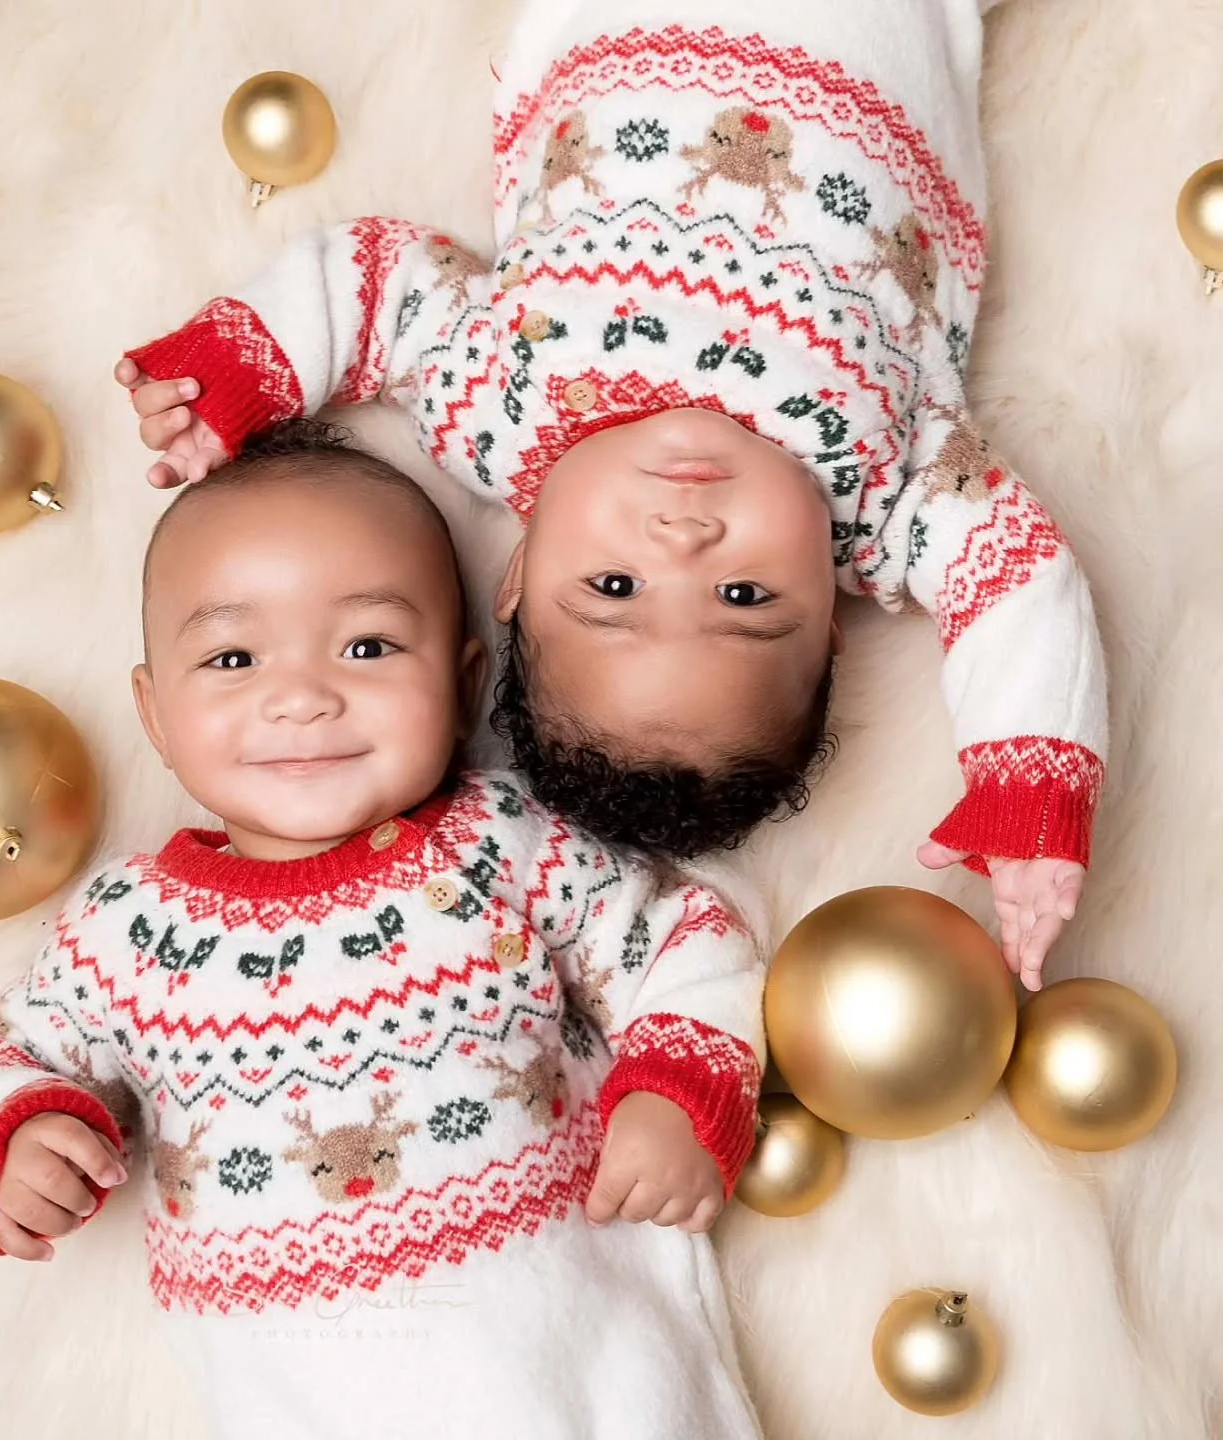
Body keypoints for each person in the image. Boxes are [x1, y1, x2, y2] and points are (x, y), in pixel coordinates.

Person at [117, 0, 1106, 990]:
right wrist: (1028, 778)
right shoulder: (886, 496)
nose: (683, 538)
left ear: (518, 573)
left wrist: (242, 370)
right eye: (746, 599)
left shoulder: (497, 414)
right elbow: (1016, 583)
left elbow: (379, 280)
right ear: (833, 615)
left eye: (614, 589)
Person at [0, 423, 766, 1440]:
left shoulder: (497, 844)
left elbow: (684, 935)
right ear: (155, 715)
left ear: (464, 686)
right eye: (233, 656)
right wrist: (21, 1134)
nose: (299, 697)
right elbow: (13, 1054)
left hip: (568, 1369)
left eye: (368, 645)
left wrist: (681, 1091)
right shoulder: (126, 931)